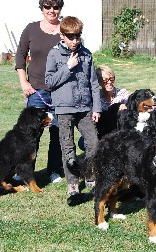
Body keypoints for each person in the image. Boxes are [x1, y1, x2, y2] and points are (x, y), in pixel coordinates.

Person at [45, 16, 101, 196]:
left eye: (77, 36)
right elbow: (49, 82)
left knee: (93, 143)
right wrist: (67, 67)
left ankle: (90, 177)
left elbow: (93, 82)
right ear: (62, 35)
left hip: (84, 108)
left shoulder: (86, 54)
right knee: (67, 147)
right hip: (64, 109)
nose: (75, 41)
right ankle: (72, 183)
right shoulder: (54, 54)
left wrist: (96, 107)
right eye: (70, 37)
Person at [15, 0, 65, 183]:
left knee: (58, 132)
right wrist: (23, 81)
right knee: (30, 135)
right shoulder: (31, 29)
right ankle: (26, 172)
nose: (52, 11)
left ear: (60, 9)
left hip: (60, 91)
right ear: (41, 8)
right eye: (48, 7)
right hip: (35, 90)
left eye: (56, 7)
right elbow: (20, 56)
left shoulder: (65, 29)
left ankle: (54, 170)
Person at [78, 65, 130, 151]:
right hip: (102, 131)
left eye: (111, 79)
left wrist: (126, 106)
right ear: (99, 82)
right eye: (105, 80)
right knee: (82, 142)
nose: (109, 82)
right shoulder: (95, 97)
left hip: (119, 130)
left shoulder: (123, 93)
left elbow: (132, 107)